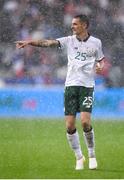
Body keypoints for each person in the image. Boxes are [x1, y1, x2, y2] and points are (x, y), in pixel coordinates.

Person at [16, 14, 105, 170]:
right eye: (72, 24)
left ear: (84, 25)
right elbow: (48, 43)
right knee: (70, 126)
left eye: (75, 24)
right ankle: (79, 157)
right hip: (70, 86)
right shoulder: (69, 41)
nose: (72, 26)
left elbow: (100, 60)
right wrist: (31, 42)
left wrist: (100, 66)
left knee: (85, 122)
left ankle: (91, 155)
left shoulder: (96, 43)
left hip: (87, 86)